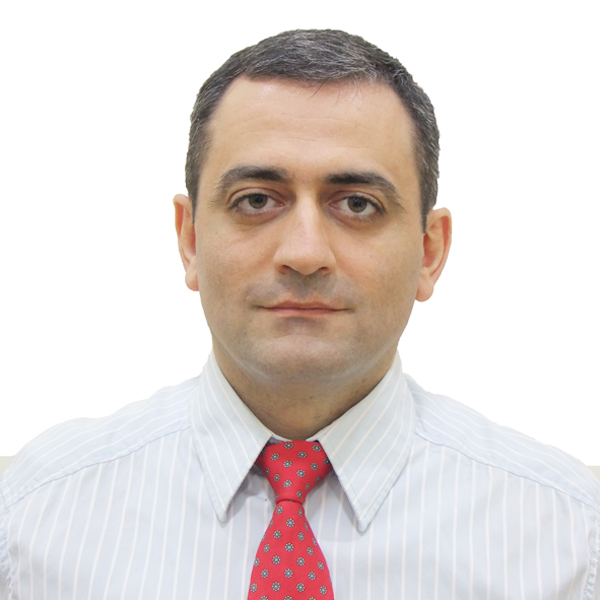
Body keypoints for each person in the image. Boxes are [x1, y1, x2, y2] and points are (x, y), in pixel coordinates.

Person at [0, 29, 598, 599]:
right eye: (256, 200)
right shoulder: (33, 518)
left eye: (357, 204)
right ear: (190, 239)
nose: (305, 253)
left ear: (430, 252)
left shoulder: (569, 538)